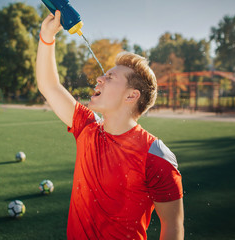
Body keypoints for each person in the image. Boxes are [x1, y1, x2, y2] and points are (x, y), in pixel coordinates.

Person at [36, 10, 184, 240]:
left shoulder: (156, 156)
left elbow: (172, 227)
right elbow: (50, 86)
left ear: (131, 96)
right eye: (104, 75)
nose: (99, 79)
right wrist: (47, 37)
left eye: (111, 77)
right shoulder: (86, 126)